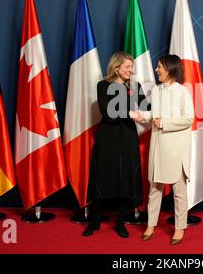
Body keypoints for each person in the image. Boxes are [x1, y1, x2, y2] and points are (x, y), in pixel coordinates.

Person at [83, 51, 148, 238]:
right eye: (127, 67)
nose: (131, 70)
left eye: (132, 67)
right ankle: (94, 221)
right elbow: (107, 113)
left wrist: (165, 104)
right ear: (116, 67)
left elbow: (146, 109)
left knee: (125, 178)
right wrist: (130, 113)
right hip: (108, 138)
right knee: (102, 176)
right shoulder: (103, 86)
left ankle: (120, 223)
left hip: (128, 137)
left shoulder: (135, 86)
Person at [132, 54, 194, 245]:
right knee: (154, 190)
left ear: (170, 68)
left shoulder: (183, 91)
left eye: (160, 67)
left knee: (179, 193)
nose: (157, 70)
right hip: (157, 147)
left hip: (176, 149)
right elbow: (155, 114)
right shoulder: (157, 91)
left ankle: (179, 228)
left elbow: (188, 118)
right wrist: (144, 116)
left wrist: (163, 123)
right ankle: (151, 225)